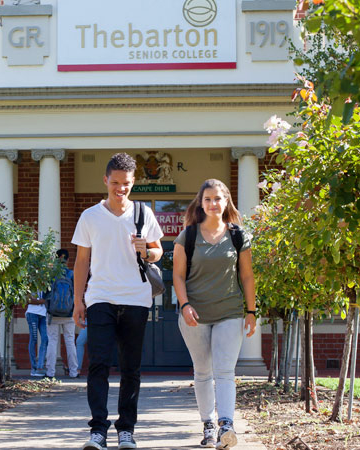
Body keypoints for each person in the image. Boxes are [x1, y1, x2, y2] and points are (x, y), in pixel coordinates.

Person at [72, 153, 164, 450]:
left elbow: (158, 251)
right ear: (105, 181)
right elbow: (82, 261)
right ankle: (98, 430)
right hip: (100, 298)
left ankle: (126, 430)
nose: (120, 189)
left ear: (132, 182)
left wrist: (147, 252)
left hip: (136, 299)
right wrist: (78, 300)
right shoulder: (90, 216)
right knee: (97, 365)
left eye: (126, 184)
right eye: (115, 183)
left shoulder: (143, 214)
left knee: (130, 368)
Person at [172, 179, 256, 450]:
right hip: (194, 315)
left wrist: (251, 311)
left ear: (226, 200)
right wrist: (185, 305)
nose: (213, 204)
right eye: (207, 199)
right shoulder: (188, 236)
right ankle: (208, 423)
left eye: (218, 198)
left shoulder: (237, 235)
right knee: (203, 371)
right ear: (201, 203)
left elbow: (247, 276)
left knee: (224, 371)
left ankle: (226, 426)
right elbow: (178, 276)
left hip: (230, 312)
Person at [44, 249, 78, 379]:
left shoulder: (52, 275)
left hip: (53, 313)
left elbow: (46, 293)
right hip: (69, 313)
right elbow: (75, 293)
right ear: (68, 260)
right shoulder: (71, 274)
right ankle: (74, 372)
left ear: (56, 259)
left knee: (52, 341)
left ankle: (50, 372)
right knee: (70, 341)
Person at [26, 284, 48, 378]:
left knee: (45, 339)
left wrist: (39, 301)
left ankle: (40, 366)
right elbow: (28, 300)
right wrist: (41, 301)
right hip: (32, 313)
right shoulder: (31, 282)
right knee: (34, 339)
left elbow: (48, 299)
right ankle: (33, 367)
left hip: (43, 314)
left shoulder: (46, 283)